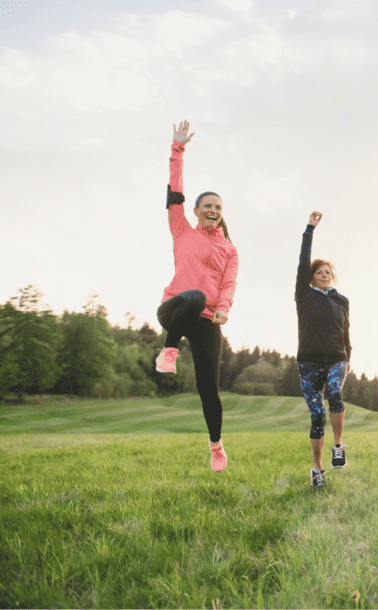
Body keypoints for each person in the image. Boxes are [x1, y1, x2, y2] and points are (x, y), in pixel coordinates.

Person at [154, 120, 239, 473]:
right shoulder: (181, 229)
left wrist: (224, 309)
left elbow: (230, 284)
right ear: (196, 210)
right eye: (208, 206)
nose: (213, 210)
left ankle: (216, 446)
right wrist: (178, 149)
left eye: (218, 207)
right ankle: (169, 350)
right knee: (193, 296)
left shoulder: (230, 249)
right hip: (175, 308)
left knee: (209, 389)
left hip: (206, 320)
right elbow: (175, 190)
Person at [296, 211, 351, 488]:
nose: (324, 275)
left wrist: (348, 359)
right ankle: (318, 468)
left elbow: (346, 332)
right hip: (308, 362)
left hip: (337, 359)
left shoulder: (342, 300)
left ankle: (338, 445)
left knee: (335, 392)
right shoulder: (303, 296)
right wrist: (310, 229)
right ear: (311, 277)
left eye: (327, 272)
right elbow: (303, 260)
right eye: (319, 272)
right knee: (317, 414)